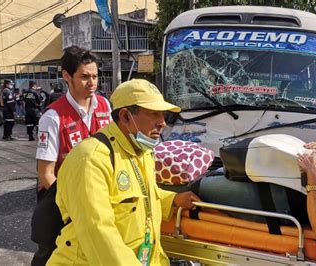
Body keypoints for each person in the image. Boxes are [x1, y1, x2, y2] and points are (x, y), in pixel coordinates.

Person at [47, 79, 201, 265]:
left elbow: (142, 196)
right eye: (154, 114)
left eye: (164, 115)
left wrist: (173, 201)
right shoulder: (91, 159)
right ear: (126, 116)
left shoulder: (142, 151)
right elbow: (98, 232)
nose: (162, 123)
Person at [31, 46, 111, 266]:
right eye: (84, 77)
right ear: (67, 76)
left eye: (95, 76)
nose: (92, 83)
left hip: (97, 197)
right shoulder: (53, 117)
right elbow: (45, 174)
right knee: (51, 254)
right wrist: (72, 207)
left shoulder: (104, 106)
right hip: (60, 201)